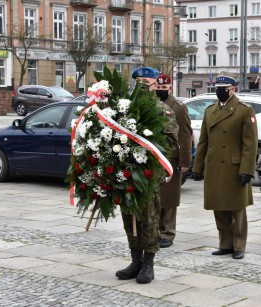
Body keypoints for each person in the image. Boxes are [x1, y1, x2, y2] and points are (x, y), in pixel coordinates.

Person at [116, 67, 179, 283]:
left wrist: (148, 143)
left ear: (155, 84)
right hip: (126, 171)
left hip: (149, 172)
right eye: (139, 80)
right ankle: (135, 261)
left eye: (147, 81)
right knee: (128, 215)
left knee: (149, 218)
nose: (142, 85)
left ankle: (148, 264)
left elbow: (171, 141)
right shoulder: (125, 108)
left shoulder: (163, 110)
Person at [191, 75, 258, 260]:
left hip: (234, 167)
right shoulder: (210, 110)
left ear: (233, 90)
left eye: (224, 89)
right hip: (214, 166)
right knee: (218, 207)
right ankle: (225, 244)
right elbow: (203, 141)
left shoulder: (244, 110)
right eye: (218, 89)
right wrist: (198, 167)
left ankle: (239, 245)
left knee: (237, 209)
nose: (220, 92)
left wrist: (247, 169)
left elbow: (250, 144)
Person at [155, 74, 193, 248]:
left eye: (164, 88)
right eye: (159, 87)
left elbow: (185, 135)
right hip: (154, 156)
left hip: (171, 157)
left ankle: (167, 233)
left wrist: (185, 161)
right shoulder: (151, 103)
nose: (160, 91)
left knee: (169, 197)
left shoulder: (178, 107)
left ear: (170, 88)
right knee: (155, 196)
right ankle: (155, 230)